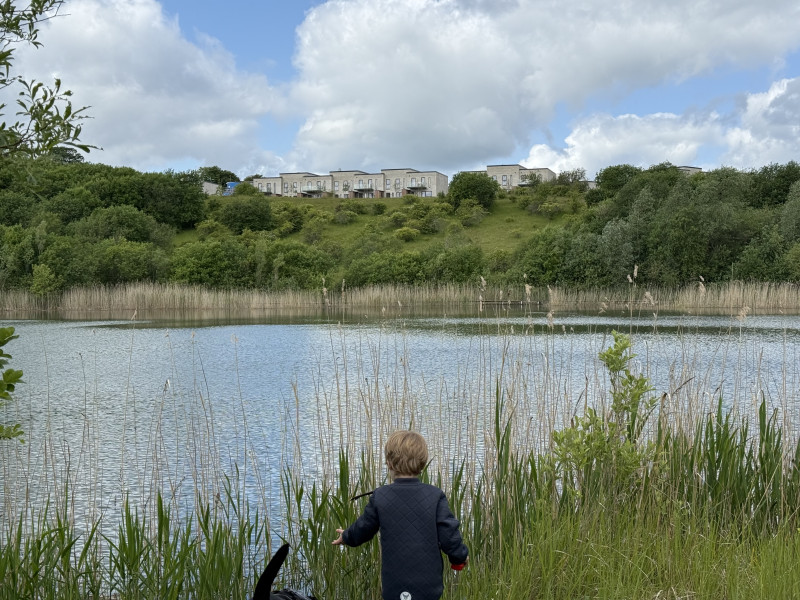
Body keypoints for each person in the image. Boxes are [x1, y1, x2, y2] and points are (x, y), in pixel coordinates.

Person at [332, 430, 468, 600]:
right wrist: (459, 558)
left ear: (389, 463)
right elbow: (449, 535)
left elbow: (363, 528)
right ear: (423, 462)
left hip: (394, 587)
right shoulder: (435, 496)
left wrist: (346, 536)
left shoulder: (381, 496)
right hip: (428, 587)